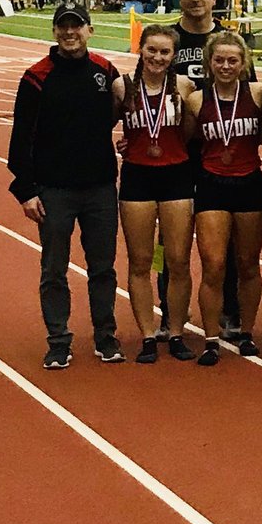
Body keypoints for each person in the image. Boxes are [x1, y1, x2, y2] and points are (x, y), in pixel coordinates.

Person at [8, 3, 123, 369]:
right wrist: (26, 190)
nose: (70, 33)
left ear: (90, 30)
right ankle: (58, 340)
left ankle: (105, 336)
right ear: (55, 32)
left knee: (103, 267)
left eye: (77, 26)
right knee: (54, 269)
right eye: (63, 27)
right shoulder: (36, 78)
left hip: (101, 187)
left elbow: (129, 114)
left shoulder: (106, 71)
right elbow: (19, 139)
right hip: (54, 190)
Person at [159, 0, 241, 342]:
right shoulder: (166, 39)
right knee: (168, 239)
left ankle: (229, 308)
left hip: (221, 150)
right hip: (173, 152)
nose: (195, 0)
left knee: (226, 239)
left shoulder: (229, 38)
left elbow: (249, 90)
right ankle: (168, 309)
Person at [113, 25, 197, 363]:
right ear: (141, 50)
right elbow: (109, 124)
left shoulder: (186, 87)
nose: (157, 58)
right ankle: (148, 335)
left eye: (164, 52)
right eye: (152, 50)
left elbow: (190, 134)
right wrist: (125, 144)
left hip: (176, 178)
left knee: (176, 259)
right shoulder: (123, 87)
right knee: (142, 260)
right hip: (138, 179)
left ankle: (175, 331)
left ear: (173, 55)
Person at [185, 32, 262, 366]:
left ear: (244, 63)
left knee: (248, 264)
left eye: (233, 60)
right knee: (214, 265)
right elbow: (184, 140)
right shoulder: (195, 100)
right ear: (209, 63)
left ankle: (246, 332)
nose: (226, 66)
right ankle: (211, 338)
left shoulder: (258, 94)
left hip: (248, 182)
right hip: (211, 184)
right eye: (219, 60)